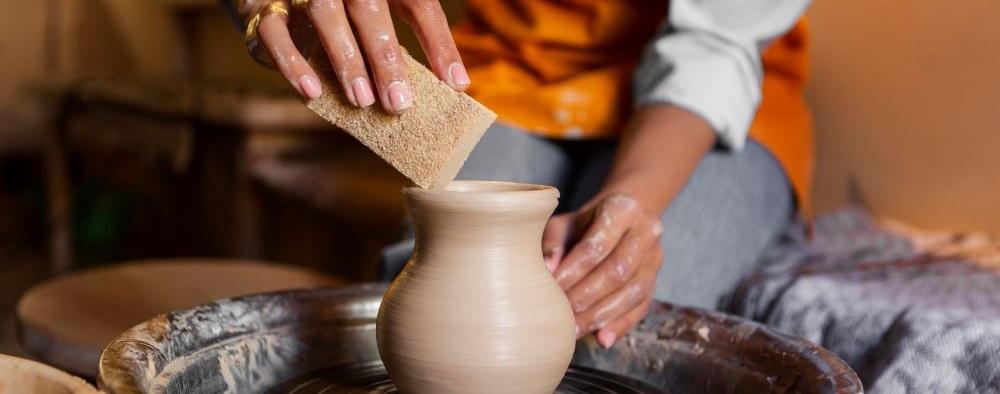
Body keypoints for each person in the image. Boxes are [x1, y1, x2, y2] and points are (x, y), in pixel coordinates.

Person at [226, 0, 813, 349]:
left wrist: (632, 202)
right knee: (435, 294)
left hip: (716, 100)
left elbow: (713, 41)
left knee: (617, 324)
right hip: (511, 74)